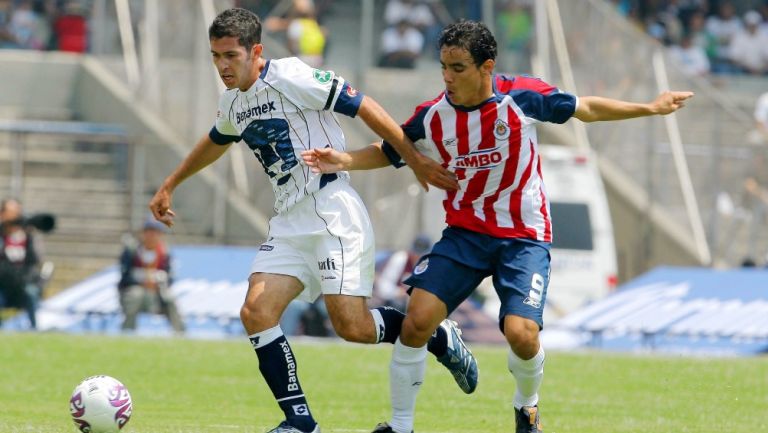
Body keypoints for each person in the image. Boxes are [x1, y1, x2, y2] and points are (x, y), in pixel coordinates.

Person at [302, 20, 694, 433]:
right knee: (417, 321)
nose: (447, 78)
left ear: (486, 66)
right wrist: (344, 160)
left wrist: (650, 107)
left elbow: (586, 109)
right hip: (465, 235)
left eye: (458, 68)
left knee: (521, 334)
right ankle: (400, 427)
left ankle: (527, 409)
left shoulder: (522, 97)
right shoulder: (434, 116)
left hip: (523, 237)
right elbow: (392, 149)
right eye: (443, 67)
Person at [148, 8, 475, 433]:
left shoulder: (292, 76)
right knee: (255, 310)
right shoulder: (232, 102)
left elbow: (363, 105)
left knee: (352, 327)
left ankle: (438, 336)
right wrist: (170, 183)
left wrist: (411, 159)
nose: (222, 65)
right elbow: (216, 140)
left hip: (331, 210)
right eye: (215, 56)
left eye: (230, 55)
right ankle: (299, 420)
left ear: (256, 51)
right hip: (288, 218)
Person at [117, 218, 185, 333]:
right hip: (135, 291)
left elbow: (170, 278)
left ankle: (180, 332)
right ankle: (128, 331)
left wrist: (158, 280)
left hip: (156, 293)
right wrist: (142, 280)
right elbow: (125, 276)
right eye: (149, 231)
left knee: (169, 298)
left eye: (156, 232)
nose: (152, 236)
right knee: (135, 295)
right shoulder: (132, 251)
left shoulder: (164, 253)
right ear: (143, 233)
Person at [0, 198, 43, 330]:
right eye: (11, 213)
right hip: (2, 284)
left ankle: (34, 328)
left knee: (31, 292)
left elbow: (36, 260)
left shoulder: (28, 236)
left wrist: (28, 233)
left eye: (17, 212)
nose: (15, 217)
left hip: (23, 284)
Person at [374, 234, 431, 311]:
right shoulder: (400, 258)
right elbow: (383, 287)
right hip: (392, 303)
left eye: (421, 254)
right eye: (416, 253)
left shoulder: (428, 264)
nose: (417, 256)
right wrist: (399, 293)